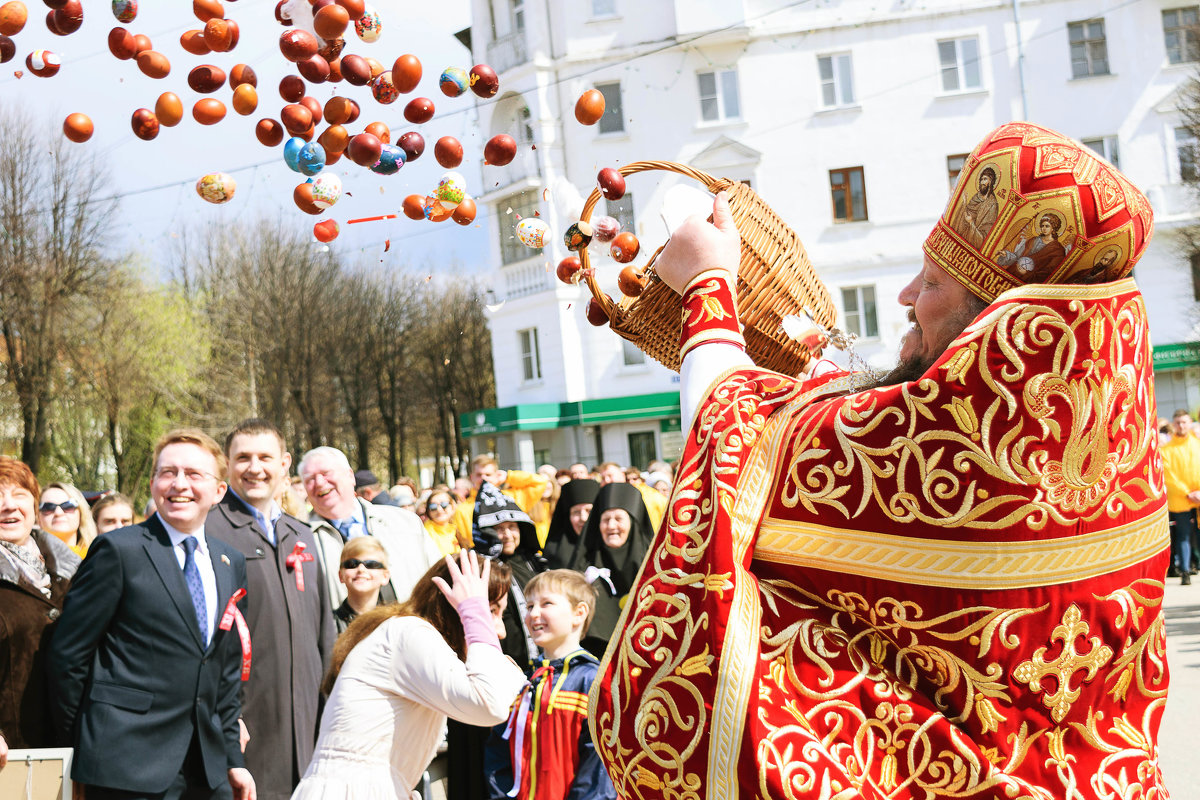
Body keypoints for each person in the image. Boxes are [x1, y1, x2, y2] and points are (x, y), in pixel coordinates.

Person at [592, 123, 1168, 799]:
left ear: (995, 321)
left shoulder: (952, 447)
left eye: (930, 280)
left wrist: (709, 287)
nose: (903, 296)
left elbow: (730, 437)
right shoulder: (1118, 450)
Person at [48, 429, 254, 800]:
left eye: (194, 474)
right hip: (125, 768)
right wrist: (84, 749)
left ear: (220, 491)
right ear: (153, 483)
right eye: (167, 472)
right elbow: (68, 656)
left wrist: (233, 758)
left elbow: (224, 670)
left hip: (207, 771)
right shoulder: (117, 551)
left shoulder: (230, 563)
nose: (179, 484)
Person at [291, 551, 526, 800]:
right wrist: (475, 616)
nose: (499, 630)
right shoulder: (410, 633)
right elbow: (490, 705)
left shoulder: (408, 634)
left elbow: (508, 702)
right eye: (490, 610)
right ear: (452, 606)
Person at [206, 419, 336, 800]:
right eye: (243, 457)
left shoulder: (302, 535)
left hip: (310, 727)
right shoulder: (210, 530)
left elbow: (324, 633)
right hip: (248, 726)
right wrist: (225, 721)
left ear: (284, 463)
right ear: (227, 465)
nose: (254, 467)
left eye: (265, 457)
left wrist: (331, 710)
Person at [484, 570, 616, 800]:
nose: (534, 614)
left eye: (546, 604)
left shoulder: (592, 682)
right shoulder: (523, 683)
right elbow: (498, 756)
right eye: (529, 606)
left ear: (579, 613)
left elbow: (599, 766)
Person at [0, 458, 80, 760]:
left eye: (19, 494)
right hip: (12, 758)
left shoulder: (80, 572)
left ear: (34, 507)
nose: (8, 505)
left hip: (78, 750)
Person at [299, 446, 441, 609]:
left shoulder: (406, 522)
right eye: (310, 479)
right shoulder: (300, 541)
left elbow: (438, 579)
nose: (319, 482)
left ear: (350, 476)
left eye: (326, 473)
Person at [570, 483, 654, 658]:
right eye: (606, 519)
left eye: (618, 519)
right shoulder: (584, 564)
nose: (611, 525)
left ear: (632, 522)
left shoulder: (653, 562)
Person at [451, 455, 550, 549]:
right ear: (472, 477)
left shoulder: (511, 498)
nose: (483, 478)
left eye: (488, 474)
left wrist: (508, 476)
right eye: (479, 475)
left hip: (517, 557)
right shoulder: (462, 509)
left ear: (496, 475)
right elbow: (465, 541)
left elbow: (540, 482)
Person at [1161, 409, 1200, 585]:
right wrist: (1187, 493)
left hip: (1198, 496)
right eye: (1178, 422)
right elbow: (1169, 476)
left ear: (1190, 423)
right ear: (1173, 424)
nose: (1181, 425)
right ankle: (1185, 570)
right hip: (1180, 499)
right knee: (1183, 535)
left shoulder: (1197, 444)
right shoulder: (1166, 450)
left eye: (1184, 422)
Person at [333, 536, 391, 633]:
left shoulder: (394, 624)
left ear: (385, 576)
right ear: (340, 575)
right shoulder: (328, 625)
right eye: (352, 564)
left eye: (371, 564)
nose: (361, 569)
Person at [542, 479, 600, 571]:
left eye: (589, 511)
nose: (583, 518)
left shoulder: (609, 547)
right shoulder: (554, 551)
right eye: (576, 512)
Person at [994, 211, 1068, 282]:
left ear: (1053, 228)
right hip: (1013, 271)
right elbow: (1017, 256)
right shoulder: (1033, 240)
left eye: (1047, 226)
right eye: (1042, 226)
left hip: (1027, 281)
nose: (1044, 228)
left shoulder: (1058, 250)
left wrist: (1027, 273)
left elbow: (1048, 272)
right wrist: (1006, 255)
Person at [39, 481, 96, 558]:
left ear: (81, 513)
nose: (58, 513)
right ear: (37, 516)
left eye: (68, 506)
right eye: (48, 507)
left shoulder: (97, 557)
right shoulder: (27, 558)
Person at [950, 164, 999, 248]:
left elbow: (985, 232)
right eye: (981, 179)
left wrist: (971, 223)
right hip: (962, 237)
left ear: (990, 182)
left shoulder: (992, 204)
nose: (982, 182)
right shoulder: (976, 197)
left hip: (974, 242)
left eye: (985, 179)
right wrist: (964, 203)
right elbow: (964, 216)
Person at [423, 486, 462, 556]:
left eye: (444, 505)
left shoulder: (457, 529)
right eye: (433, 506)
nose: (439, 509)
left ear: (452, 506)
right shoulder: (426, 532)